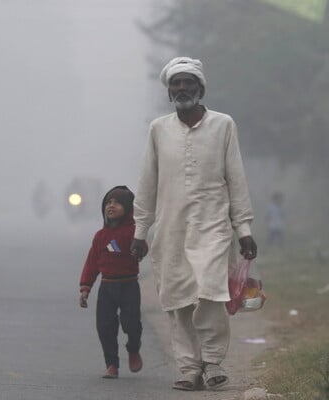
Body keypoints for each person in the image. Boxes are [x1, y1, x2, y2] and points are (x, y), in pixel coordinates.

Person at [130, 57, 257, 391]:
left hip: (214, 226)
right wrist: (140, 231)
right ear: (169, 90)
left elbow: (236, 177)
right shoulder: (159, 129)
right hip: (171, 230)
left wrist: (243, 229)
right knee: (178, 299)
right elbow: (148, 183)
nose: (182, 88)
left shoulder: (223, 125)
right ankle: (189, 368)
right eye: (176, 83)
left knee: (211, 292)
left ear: (201, 88)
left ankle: (213, 360)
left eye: (188, 82)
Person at [79, 186, 146, 379]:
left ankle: (133, 348)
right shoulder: (101, 236)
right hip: (107, 287)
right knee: (105, 327)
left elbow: (144, 247)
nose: (111, 205)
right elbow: (92, 263)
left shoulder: (134, 232)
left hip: (129, 286)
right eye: (108, 202)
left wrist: (139, 248)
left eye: (117, 202)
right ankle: (111, 364)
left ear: (128, 208)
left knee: (131, 324)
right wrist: (85, 287)